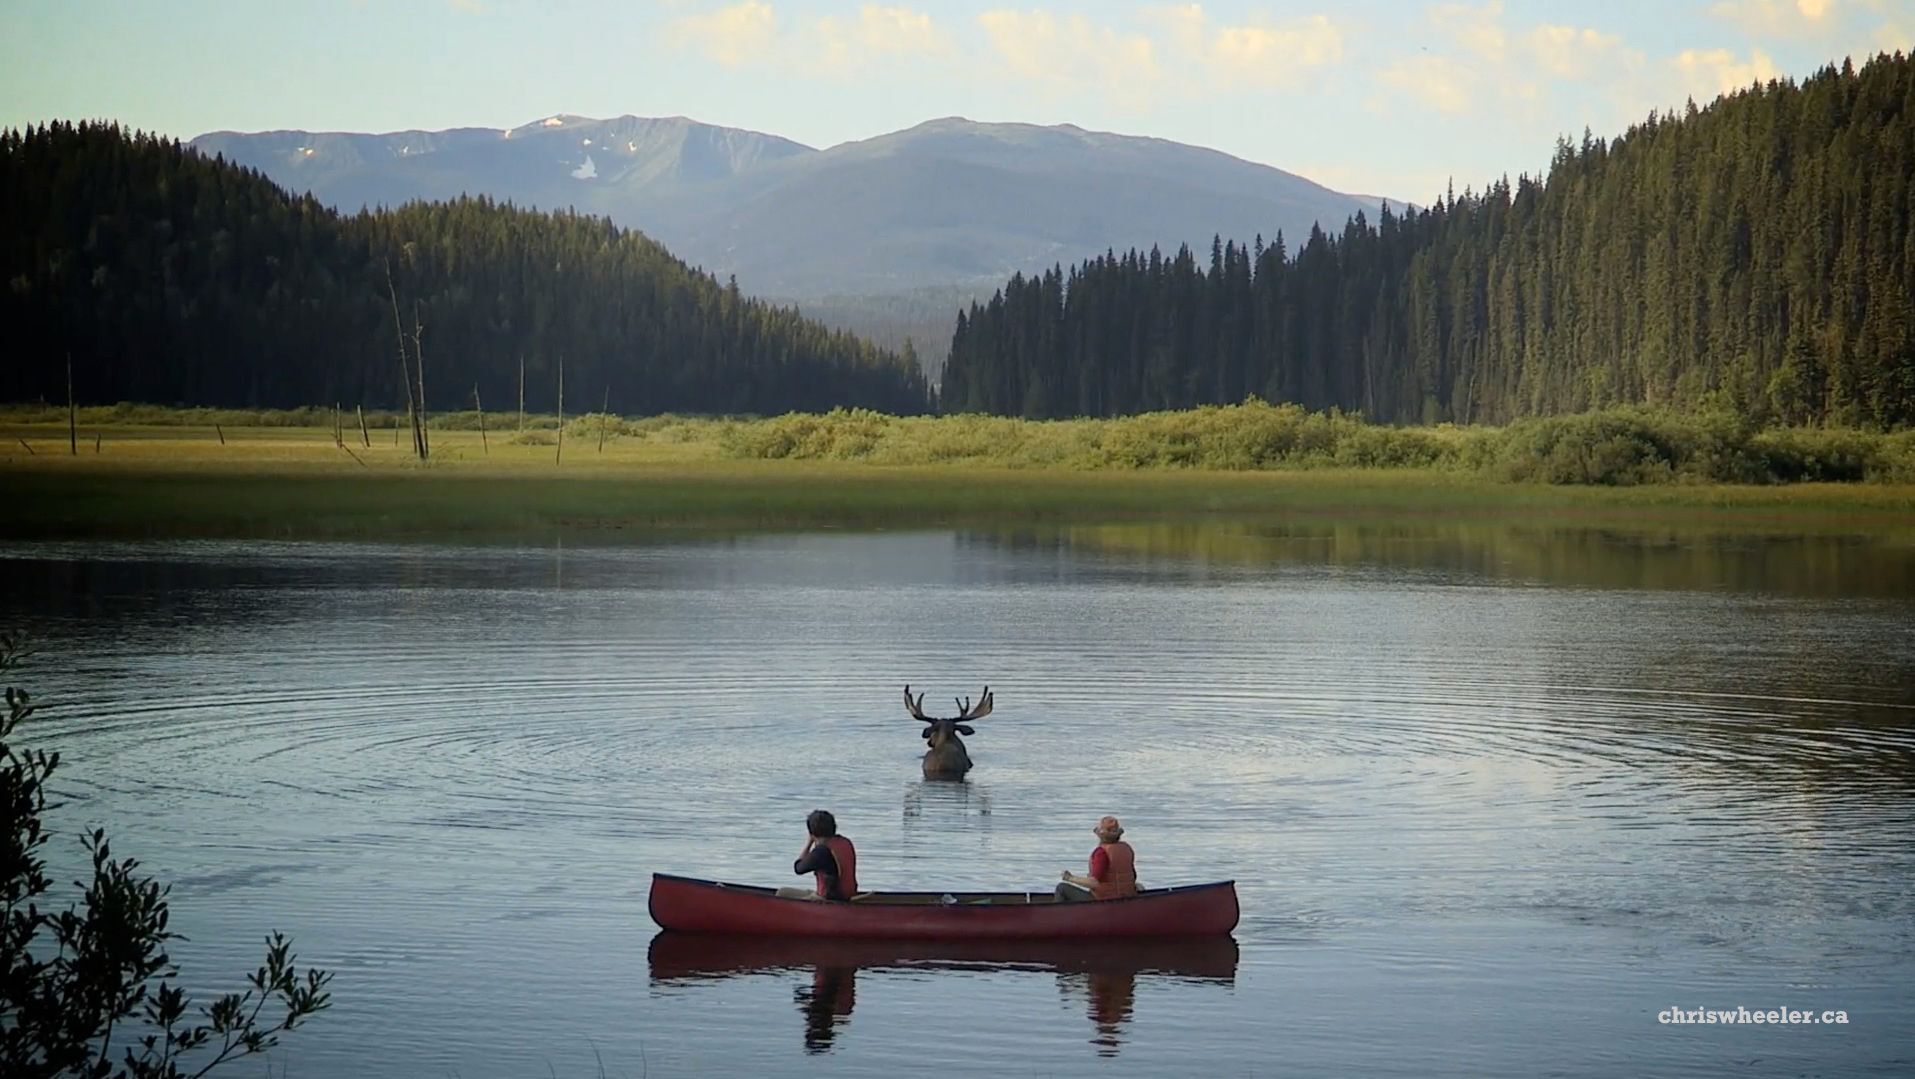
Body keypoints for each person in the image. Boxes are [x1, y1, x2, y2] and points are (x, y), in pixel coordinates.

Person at [777, 809, 859, 901]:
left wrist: (809, 843)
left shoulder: (821, 852)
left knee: (780, 894)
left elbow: (798, 868)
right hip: (848, 895)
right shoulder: (845, 842)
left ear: (812, 833)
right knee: (783, 892)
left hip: (827, 899)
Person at [1056, 815, 1138, 901]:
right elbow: (1133, 876)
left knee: (1061, 888)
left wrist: (1070, 878)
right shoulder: (1126, 849)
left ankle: (1056, 913)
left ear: (1100, 835)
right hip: (1126, 897)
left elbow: (1094, 882)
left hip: (1103, 899)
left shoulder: (1101, 853)